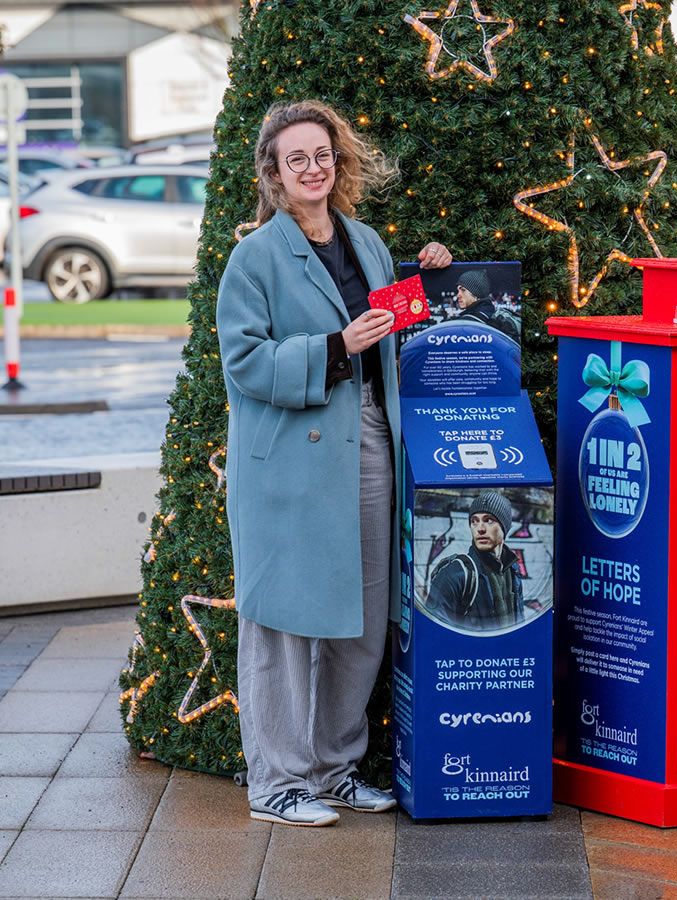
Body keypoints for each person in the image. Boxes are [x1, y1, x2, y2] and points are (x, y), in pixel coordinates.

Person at [217, 99, 452, 827]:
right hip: (289, 462)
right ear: (275, 174)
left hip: (371, 443)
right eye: (297, 160)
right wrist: (332, 350)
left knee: (361, 616)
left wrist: (432, 276)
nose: (313, 168)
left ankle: (332, 769)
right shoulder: (253, 256)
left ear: (338, 161)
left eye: (322, 155)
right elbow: (244, 361)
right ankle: (278, 784)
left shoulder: (368, 241)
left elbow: (383, 319)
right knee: (282, 624)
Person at [426, 491, 524, 630]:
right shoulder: (454, 574)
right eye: (474, 521)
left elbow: (519, 622)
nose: (480, 529)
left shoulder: (513, 569)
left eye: (489, 520)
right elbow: (435, 633)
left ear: (504, 526)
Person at [453, 269, 520, 342]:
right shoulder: (491, 314)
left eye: (463, 290)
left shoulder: (468, 322)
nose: (458, 295)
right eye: (458, 290)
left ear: (476, 294)